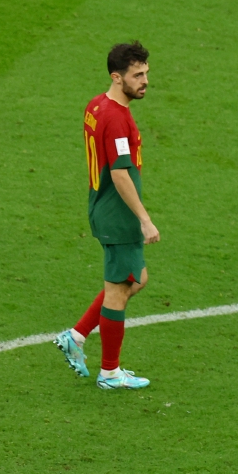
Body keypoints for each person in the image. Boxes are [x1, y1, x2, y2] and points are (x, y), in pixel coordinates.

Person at [53, 41, 159, 390]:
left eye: (146, 72)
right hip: (118, 214)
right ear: (117, 77)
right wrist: (144, 219)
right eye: (137, 75)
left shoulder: (97, 105)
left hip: (102, 206)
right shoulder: (116, 119)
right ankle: (110, 373)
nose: (145, 80)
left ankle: (77, 335)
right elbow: (119, 173)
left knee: (135, 279)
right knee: (119, 290)